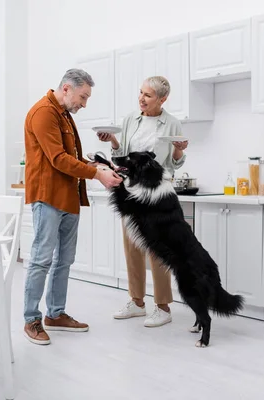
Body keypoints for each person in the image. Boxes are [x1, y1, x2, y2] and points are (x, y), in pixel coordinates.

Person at [23, 69, 123, 345]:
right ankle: (32, 319)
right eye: (83, 96)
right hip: (48, 197)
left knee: (64, 260)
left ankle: (55, 314)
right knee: (41, 259)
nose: (84, 103)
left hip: (68, 196)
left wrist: (98, 167)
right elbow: (57, 159)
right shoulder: (43, 112)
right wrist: (97, 175)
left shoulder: (65, 115)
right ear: (66, 89)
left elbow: (72, 158)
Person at [98, 76, 188, 328]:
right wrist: (113, 142)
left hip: (157, 193)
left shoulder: (171, 123)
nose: (141, 98)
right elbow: (121, 157)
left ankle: (163, 307)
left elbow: (176, 162)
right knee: (132, 246)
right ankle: (137, 302)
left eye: (148, 95)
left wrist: (179, 150)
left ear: (162, 99)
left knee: (158, 249)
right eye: (140, 93)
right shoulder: (130, 120)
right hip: (131, 190)